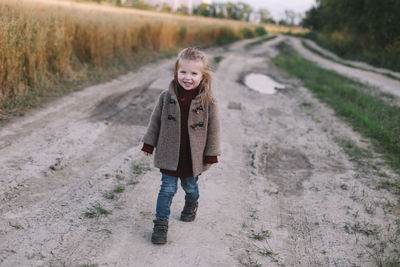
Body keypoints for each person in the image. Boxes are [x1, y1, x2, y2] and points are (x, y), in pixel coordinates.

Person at [141, 47, 221, 245]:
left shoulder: (208, 102)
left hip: (192, 156)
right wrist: (149, 143)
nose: (188, 77)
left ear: (202, 77)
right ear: (176, 72)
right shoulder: (165, 97)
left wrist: (211, 155)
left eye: (194, 73)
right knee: (167, 189)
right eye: (183, 72)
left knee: (190, 186)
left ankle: (191, 202)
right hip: (170, 154)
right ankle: (160, 224)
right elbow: (155, 122)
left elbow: (214, 131)